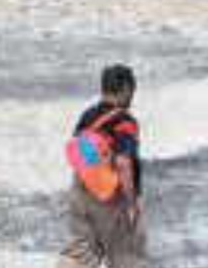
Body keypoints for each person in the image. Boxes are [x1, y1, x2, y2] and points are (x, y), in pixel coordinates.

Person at [58, 65, 145, 268]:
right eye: (132, 90)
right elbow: (123, 162)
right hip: (110, 199)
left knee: (80, 257)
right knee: (127, 257)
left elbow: (79, 151)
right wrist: (131, 203)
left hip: (80, 192)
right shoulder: (125, 121)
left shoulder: (87, 116)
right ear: (125, 89)